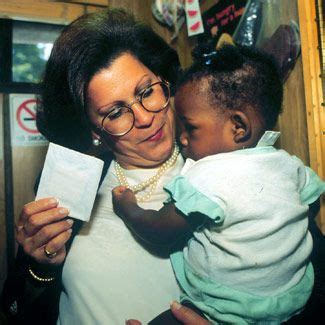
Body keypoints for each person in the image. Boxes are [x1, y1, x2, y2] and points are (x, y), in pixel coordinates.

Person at [0, 8, 323, 325]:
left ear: (165, 80)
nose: (143, 117)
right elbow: (20, 311)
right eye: (115, 113)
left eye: (147, 92)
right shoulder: (72, 184)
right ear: (94, 131)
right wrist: (36, 267)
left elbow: (311, 292)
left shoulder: (233, 168)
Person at [112, 44, 325, 324]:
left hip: (227, 306)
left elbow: (161, 232)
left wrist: (129, 207)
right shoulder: (288, 164)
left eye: (191, 128)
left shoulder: (208, 174)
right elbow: (310, 200)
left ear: (238, 127)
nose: (182, 138)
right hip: (292, 297)